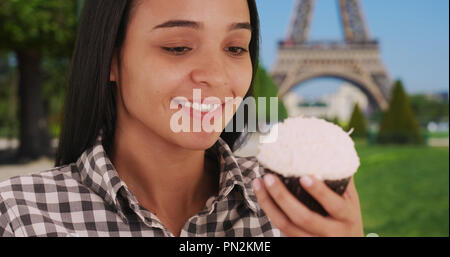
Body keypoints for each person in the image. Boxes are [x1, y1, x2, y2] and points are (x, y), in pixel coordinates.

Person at [0, 0, 363, 237]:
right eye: (178, 47)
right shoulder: (17, 214)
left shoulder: (291, 204)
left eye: (236, 48)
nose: (217, 77)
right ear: (111, 59)